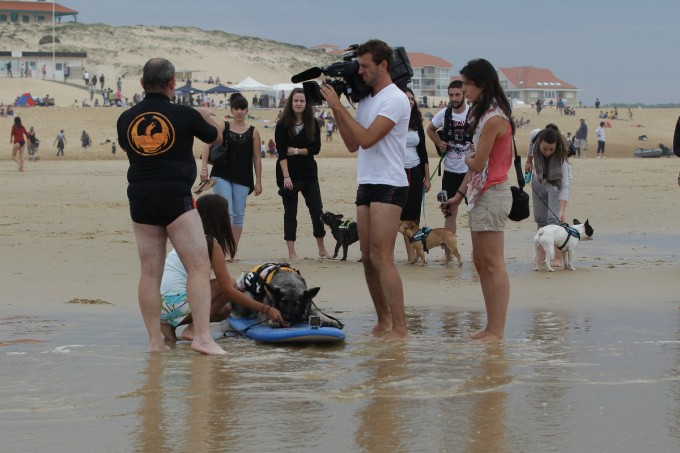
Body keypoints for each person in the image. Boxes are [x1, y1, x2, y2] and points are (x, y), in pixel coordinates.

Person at [116, 57, 226, 355]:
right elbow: (216, 137)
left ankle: (155, 341)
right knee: (198, 267)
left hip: (140, 197)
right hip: (175, 197)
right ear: (172, 83)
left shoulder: (126, 118)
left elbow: (132, 148)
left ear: (142, 84)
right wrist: (206, 115)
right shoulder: (185, 114)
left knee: (150, 273)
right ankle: (202, 337)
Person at [320, 39, 410, 341]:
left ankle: (400, 327)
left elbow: (369, 138)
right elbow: (351, 144)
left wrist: (337, 105)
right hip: (367, 181)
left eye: (365, 66)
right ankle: (383, 321)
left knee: (383, 256)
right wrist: (338, 109)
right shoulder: (367, 101)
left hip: (391, 183)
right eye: (358, 66)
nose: (359, 72)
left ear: (383, 65)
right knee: (367, 257)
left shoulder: (395, 99)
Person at [442, 58, 514, 343]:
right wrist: (458, 196)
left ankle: (496, 330)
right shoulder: (482, 114)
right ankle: (490, 326)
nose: (463, 89)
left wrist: (468, 157)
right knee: (480, 261)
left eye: (467, 85)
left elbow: (476, 161)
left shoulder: (494, 117)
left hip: (493, 192)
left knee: (493, 263)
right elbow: (472, 165)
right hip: (479, 193)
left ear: (481, 85)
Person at [160, 194, 288, 342]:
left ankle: (168, 325)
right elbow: (227, 289)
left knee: (225, 310)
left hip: (161, 306)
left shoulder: (189, 236)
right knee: (231, 284)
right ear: (220, 217)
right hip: (177, 302)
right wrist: (267, 309)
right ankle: (194, 329)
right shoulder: (210, 243)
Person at [202, 93, 262, 259]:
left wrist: (258, 182)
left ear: (247, 110)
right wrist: (204, 168)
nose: (239, 112)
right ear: (232, 110)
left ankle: (231, 250)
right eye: (236, 108)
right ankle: (221, 248)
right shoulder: (224, 126)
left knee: (238, 213)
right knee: (226, 211)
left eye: (242, 108)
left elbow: (256, 157)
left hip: (243, 177)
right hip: (221, 174)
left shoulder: (254, 132)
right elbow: (207, 145)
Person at [274, 87, 330, 260]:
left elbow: (316, 149)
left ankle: (322, 248)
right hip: (287, 174)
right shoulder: (282, 124)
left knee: (317, 210)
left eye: (302, 101)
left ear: (307, 103)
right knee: (290, 213)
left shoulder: (313, 122)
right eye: (296, 100)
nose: (298, 103)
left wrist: (297, 151)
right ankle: (292, 252)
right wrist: (286, 177)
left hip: (308, 173)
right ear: (291, 103)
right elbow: (282, 152)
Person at [426, 80, 471, 237]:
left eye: (457, 94)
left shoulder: (474, 114)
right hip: (450, 170)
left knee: (474, 211)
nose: (454, 98)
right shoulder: (444, 114)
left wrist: (476, 146)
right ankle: (448, 254)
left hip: (470, 171)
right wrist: (439, 143)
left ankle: (476, 253)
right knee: (449, 211)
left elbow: (484, 135)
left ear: (464, 94)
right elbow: (430, 129)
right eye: (451, 95)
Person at [524, 124, 573, 266]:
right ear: (539, 143)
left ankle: (557, 257)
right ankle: (542, 254)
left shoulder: (562, 159)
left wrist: (562, 210)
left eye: (551, 149)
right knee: (540, 218)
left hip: (557, 181)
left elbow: (565, 186)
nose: (547, 152)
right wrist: (528, 161)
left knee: (554, 219)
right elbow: (530, 147)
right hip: (539, 178)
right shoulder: (535, 135)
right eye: (544, 149)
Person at [400, 87, 430, 262]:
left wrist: (426, 177)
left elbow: (423, 151)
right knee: (399, 214)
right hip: (397, 171)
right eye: (406, 98)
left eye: (412, 99)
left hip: (416, 170)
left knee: (413, 215)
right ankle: (408, 254)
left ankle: (414, 253)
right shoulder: (392, 121)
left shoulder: (417, 123)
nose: (410, 101)